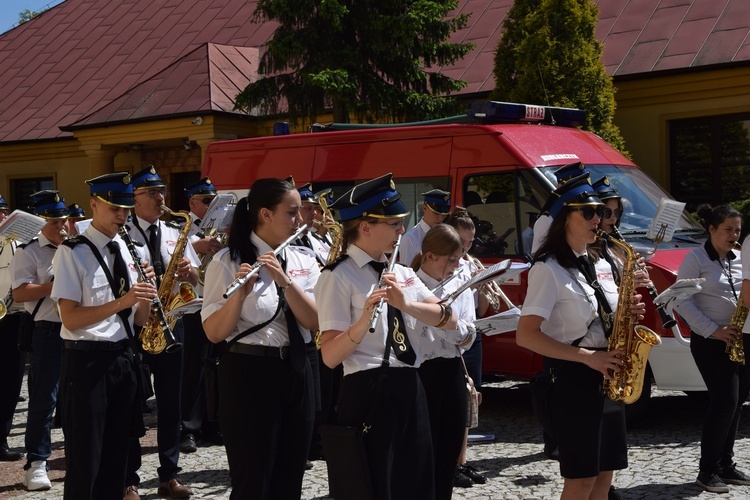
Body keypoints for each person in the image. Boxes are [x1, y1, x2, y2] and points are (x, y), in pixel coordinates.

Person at [315, 173, 457, 499]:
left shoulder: (403, 272)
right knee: (375, 486)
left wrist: (407, 303)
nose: (401, 231)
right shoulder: (338, 277)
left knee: (418, 484)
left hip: (411, 385)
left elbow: (447, 317)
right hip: (368, 388)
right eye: (393, 224)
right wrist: (363, 321)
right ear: (365, 226)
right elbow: (330, 355)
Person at [517, 173, 645, 499]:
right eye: (587, 212)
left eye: (600, 212)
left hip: (609, 373)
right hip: (573, 379)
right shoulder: (547, 269)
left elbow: (604, 318)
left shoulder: (602, 264)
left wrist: (627, 315)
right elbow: (527, 336)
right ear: (564, 218)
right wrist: (588, 358)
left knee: (605, 475)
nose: (598, 219)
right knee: (581, 479)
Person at [201, 177, 319, 499]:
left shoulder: (304, 260)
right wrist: (238, 296)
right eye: (292, 212)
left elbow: (314, 320)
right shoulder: (227, 261)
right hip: (248, 373)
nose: (301, 219)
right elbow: (214, 333)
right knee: (253, 478)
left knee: (290, 475)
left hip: (296, 369)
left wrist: (285, 282)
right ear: (265, 214)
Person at [51, 172, 157, 500]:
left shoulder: (130, 248)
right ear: (94, 205)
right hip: (87, 362)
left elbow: (137, 319)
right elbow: (70, 317)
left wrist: (145, 300)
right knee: (86, 459)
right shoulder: (72, 252)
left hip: (124, 356)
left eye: (126, 209)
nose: (122, 216)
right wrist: (124, 301)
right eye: (115, 209)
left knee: (118, 457)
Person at [124, 165, 199, 500]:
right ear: (134, 199)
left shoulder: (174, 229)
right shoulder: (122, 234)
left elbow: (195, 280)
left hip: (172, 322)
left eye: (162, 191)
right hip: (137, 326)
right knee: (130, 404)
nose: (160, 198)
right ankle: (129, 478)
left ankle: (169, 473)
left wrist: (189, 272)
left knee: (171, 404)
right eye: (152, 193)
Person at [674, 204, 750, 494]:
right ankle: (707, 471)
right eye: (728, 230)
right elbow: (681, 301)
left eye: (738, 230)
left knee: (737, 402)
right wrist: (714, 330)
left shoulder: (741, 258)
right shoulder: (695, 259)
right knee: (724, 402)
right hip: (710, 341)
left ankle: (725, 465)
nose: (734, 235)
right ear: (712, 230)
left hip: (741, 338)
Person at [411, 224, 476, 500]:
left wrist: (447, 326)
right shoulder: (410, 284)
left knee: (448, 456)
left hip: (451, 372)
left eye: (459, 258)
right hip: (420, 376)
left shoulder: (460, 283)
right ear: (430, 257)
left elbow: (469, 335)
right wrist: (449, 325)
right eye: (451, 259)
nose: (456, 265)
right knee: (421, 459)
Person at [11, 190, 69, 491]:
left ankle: (79, 455)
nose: (63, 226)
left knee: (76, 398)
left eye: (65, 220)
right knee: (44, 400)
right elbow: (19, 293)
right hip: (47, 327)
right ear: (40, 223)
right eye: (56, 222)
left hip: (78, 328)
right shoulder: (28, 251)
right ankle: (36, 462)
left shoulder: (76, 248)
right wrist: (53, 285)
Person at [445, 206, 490, 487]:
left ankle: (462, 460)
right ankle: (451, 464)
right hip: (453, 339)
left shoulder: (470, 264)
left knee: (471, 400)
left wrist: (483, 286)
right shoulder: (449, 266)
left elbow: (482, 309)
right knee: (456, 403)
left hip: (472, 337)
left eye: (471, 243)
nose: (467, 248)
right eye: (462, 243)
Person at [180, 176, 223, 454]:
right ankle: (189, 427)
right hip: (194, 301)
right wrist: (197, 247)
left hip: (218, 300)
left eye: (215, 201)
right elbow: (170, 252)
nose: (211, 206)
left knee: (215, 365)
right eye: (207, 201)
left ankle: (213, 422)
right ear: (193, 202)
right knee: (193, 367)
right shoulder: (180, 228)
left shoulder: (222, 227)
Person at [0, 195, 25, 463]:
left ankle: (1, 439)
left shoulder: (20, 243)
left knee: (10, 382)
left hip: (13, 317)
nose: (1, 218)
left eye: (4, 213)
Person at [531, 162, 588, 255]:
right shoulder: (547, 220)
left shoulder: (592, 216)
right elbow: (539, 257)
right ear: (560, 187)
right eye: (574, 187)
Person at [399, 188, 451, 265]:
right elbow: (405, 271)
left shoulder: (445, 235)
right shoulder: (410, 238)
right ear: (424, 208)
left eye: (443, 215)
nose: (440, 218)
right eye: (436, 213)